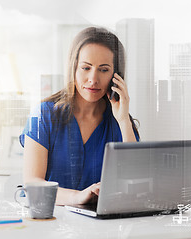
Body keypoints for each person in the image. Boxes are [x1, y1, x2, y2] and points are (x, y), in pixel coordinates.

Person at [19, 27, 140, 206]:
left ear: (116, 76)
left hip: (101, 228)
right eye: (86, 68)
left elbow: (137, 184)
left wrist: (123, 120)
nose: (93, 79)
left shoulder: (120, 122)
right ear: (73, 68)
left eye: (104, 70)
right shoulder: (43, 115)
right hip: (49, 223)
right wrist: (77, 197)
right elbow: (32, 184)